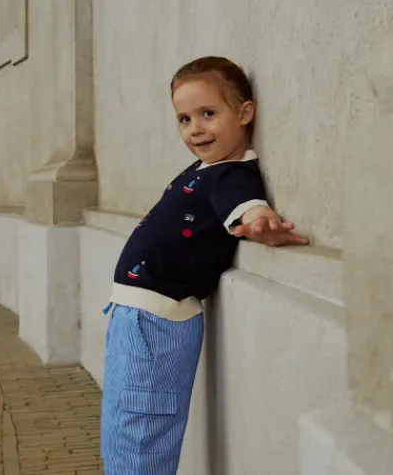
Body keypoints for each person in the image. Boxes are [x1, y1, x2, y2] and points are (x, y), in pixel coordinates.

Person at [100, 56, 309, 474]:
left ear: (244, 113)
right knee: (123, 423)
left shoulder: (231, 174)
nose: (195, 128)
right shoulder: (206, 168)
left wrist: (261, 222)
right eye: (184, 119)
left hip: (155, 323)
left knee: (142, 428)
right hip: (135, 315)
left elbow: (247, 205)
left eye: (208, 114)